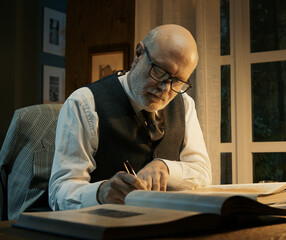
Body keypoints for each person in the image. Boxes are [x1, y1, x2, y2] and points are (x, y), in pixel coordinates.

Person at [48, 24, 212, 210]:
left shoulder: (185, 104)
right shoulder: (84, 103)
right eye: (160, 72)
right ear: (139, 54)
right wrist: (100, 193)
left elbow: (202, 172)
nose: (165, 88)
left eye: (178, 81)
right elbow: (59, 192)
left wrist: (166, 167)